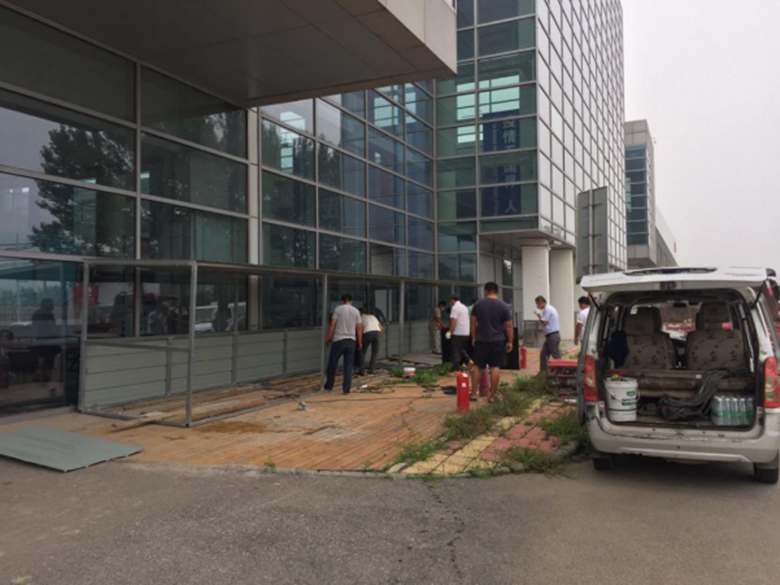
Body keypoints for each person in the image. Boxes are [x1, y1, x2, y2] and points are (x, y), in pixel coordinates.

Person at [470, 283, 513, 403]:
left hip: (481, 340)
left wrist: (473, 337)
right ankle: (492, 396)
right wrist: (510, 341)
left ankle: (473, 394)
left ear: (486, 291)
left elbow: (473, 323)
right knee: (495, 367)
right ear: (496, 291)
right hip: (498, 340)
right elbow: (508, 326)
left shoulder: (478, 304)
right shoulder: (503, 306)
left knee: (477, 366)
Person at [325, 294, 363, 394]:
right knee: (348, 365)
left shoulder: (338, 309)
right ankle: (346, 389)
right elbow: (359, 327)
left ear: (342, 301)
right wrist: (359, 341)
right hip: (351, 341)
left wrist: (329, 336)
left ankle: (329, 385)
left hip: (339, 340)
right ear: (351, 301)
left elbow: (333, 323)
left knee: (333, 363)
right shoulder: (356, 311)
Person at [535, 296, 561, 373]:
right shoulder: (549, 308)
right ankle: (543, 372)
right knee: (543, 355)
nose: (537, 306)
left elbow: (544, 322)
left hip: (552, 335)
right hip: (550, 336)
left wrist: (538, 314)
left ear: (541, 302)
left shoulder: (547, 309)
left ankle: (559, 372)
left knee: (556, 356)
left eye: (537, 304)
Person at [446, 295, 471, 370]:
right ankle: (468, 360)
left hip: (458, 332)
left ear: (452, 299)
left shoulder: (455, 308)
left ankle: (456, 366)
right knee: (460, 348)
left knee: (455, 349)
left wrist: (450, 331)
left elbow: (453, 320)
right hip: (466, 332)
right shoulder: (464, 307)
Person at [358, 307, 382, 376]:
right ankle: (372, 369)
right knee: (375, 352)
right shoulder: (372, 316)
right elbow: (381, 328)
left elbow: (359, 329)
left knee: (362, 352)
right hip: (377, 333)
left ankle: (362, 371)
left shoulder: (360, 318)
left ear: (360, 313)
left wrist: (360, 340)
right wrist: (379, 337)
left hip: (368, 333)